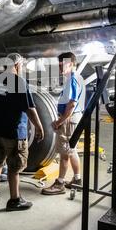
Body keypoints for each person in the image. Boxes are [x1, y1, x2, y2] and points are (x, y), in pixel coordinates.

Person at [0, 53, 44, 211]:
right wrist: (40, 127)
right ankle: (15, 200)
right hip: (14, 133)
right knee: (14, 168)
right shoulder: (19, 82)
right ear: (18, 65)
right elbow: (30, 109)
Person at [41, 52, 85, 195]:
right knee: (71, 150)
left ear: (71, 63)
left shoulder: (73, 79)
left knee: (65, 153)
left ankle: (60, 183)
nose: (60, 68)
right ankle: (77, 180)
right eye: (59, 65)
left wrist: (59, 121)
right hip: (74, 118)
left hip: (69, 120)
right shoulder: (78, 78)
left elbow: (71, 105)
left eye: (62, 65)